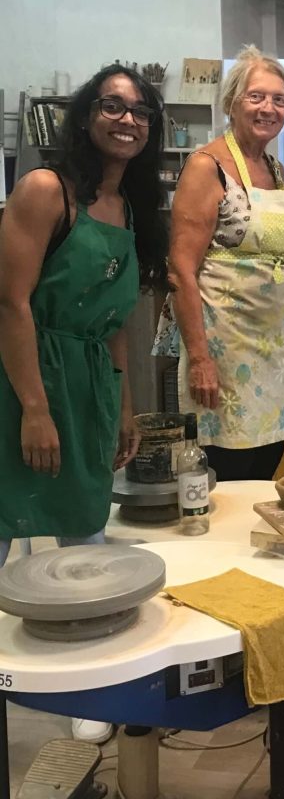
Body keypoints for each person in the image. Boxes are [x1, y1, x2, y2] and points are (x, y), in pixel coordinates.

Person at [0, 64, 168, 741]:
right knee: (6, 516)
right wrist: (34, 407)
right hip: (25, 377)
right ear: (86, 115)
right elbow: (10, 303)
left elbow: (116, 323)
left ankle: (89, 688)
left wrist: (123, 406)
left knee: (86, 525)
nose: (127, 120)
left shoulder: (130, 208)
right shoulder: (46, 190)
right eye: (112, 106)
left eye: (140, 111)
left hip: (90, 380)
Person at [153, 46, 284, 480]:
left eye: (279, 100)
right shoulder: (206, 167)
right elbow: (180, 270)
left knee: (268, 460)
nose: (268, 108)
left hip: (277, 345)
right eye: (256, 96)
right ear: (232, 102)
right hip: (227, 345)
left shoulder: (273, 169)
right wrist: (200, 359)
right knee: (229, 466)